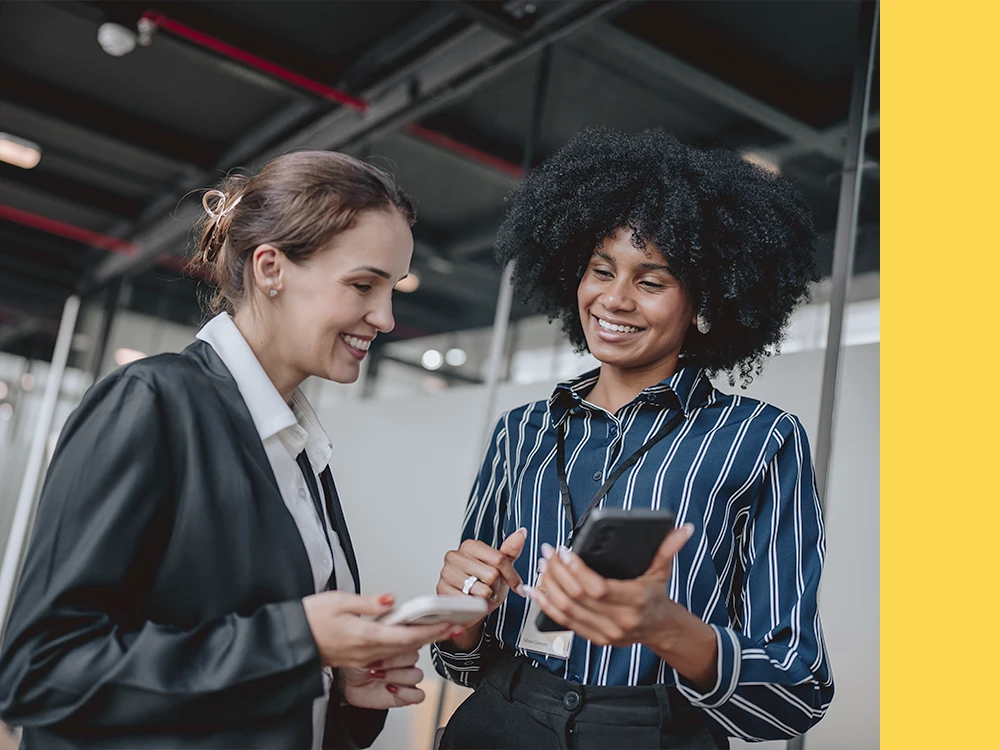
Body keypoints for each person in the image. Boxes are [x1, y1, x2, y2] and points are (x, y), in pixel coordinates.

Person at [0, 151, 467, 749]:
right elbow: (42, 673)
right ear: (271, 267)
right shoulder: (150, 403)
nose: (385, 316)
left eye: (391, 289)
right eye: (362, 285)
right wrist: (295, 640)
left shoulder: (296, 449)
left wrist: (338, 683)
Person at [431, 127, 834, 749]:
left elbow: (794, 691)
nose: (614, 300)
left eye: (651, 281)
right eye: (600, 270)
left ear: (703, 303)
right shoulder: (522, 431)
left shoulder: (759, 440)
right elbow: (464, 661)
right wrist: (460, 620)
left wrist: (668, 628)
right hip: (500, 720)